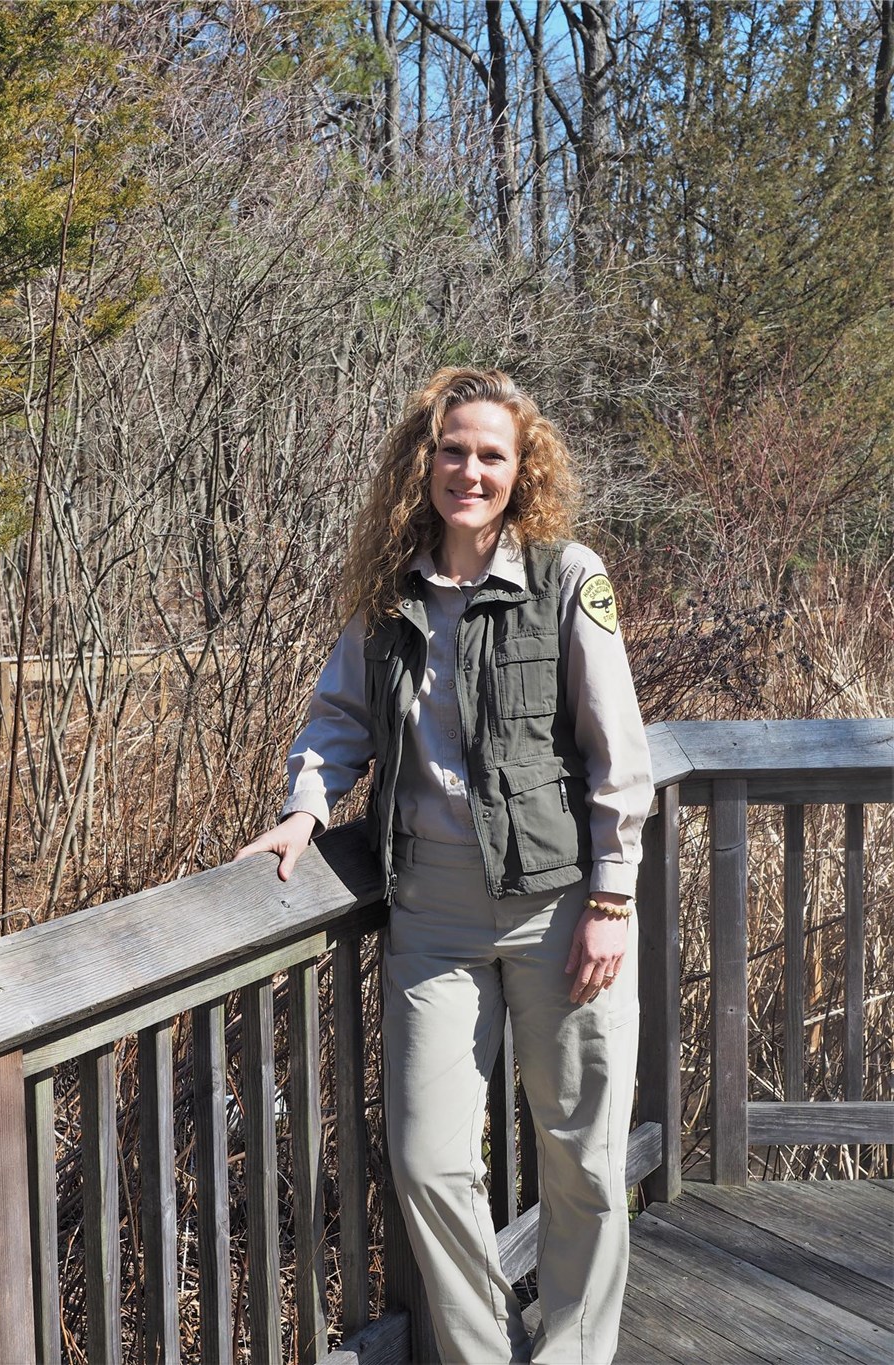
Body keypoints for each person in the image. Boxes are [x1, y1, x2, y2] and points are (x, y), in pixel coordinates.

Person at [235, 367, 653, 1365]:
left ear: (522, 469)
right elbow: (337, 720)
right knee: (427, 1162)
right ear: (424, 460)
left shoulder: (563, 576)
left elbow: (618, 752)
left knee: (582, 1160)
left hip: (561, 911)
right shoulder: (389, 595)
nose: (470, 470)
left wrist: (610, 894)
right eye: (453, 450)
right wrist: (304, 809)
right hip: (432, 917)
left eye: (491, 454)